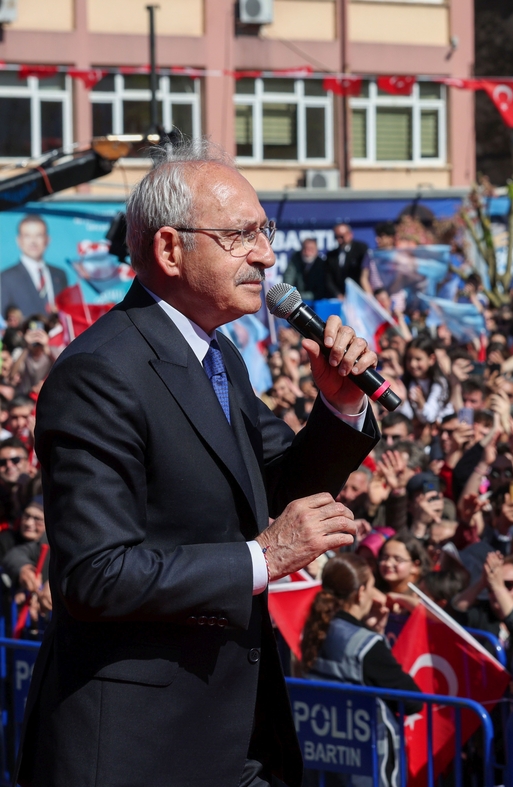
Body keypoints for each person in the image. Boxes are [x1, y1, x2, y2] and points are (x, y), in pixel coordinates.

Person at [20, 140, 381, 787]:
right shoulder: (100, 374)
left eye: (264, 233)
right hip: (137, 747)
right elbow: (96, 573)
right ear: (169, 249)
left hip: (230, 736)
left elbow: (275, 483)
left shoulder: (220, 359)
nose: (267, 256)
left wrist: (340, 403)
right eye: (241, 235)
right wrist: (262, 558)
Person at [300, 553, 421, 787]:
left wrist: (373, 633)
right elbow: (413, 700)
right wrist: (373, 639)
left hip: (322, 759)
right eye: (372, 585)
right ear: (361, 592)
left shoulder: (315, 629)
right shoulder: (366, 646)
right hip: (363, 767)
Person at [1, 215, 69, 318]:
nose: (33, 241)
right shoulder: (5, 278)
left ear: (47, 239)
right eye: (27, 236)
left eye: (38, 235)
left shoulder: (59, 275)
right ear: (19, 240)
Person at [325, 223, 369, 298]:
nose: (339, 240)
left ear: (350, 234)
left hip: (358, 295)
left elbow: (364, 274)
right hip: (339, 297)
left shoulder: (361, 249)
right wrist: (337, 294)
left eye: (342, 237)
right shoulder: (331, 255)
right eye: (336, 237)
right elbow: (328, 278)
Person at [283, 237, 328, 301]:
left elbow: (320, 291)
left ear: (316, 251)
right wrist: (290, 295)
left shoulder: (322, 265)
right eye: (305, 249)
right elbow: (287, 281)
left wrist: (297, 296)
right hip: (295, 300)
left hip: (316, 301)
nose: (307, 252)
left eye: (311, 249)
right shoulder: (295, 260)